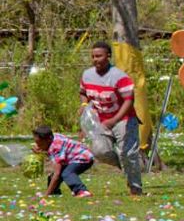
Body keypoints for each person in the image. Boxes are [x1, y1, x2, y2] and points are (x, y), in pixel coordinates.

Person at [80, 41, 142, 196]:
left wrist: (115, 120)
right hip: (101, 120)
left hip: (124, 119)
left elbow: (129, 100)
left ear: (108, 56)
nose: (95, 59)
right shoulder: (87, 75)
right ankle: (126, 166)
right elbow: (83, 92)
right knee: (99, 151)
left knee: (127, 154)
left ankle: (135, 188)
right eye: (93, 56)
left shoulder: (119, 77)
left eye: (99, 56)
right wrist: (84, 104)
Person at [32, 125, 94, 198]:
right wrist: (42, 150)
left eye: (40, 144)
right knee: (53, 175)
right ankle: (54, 192)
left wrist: (46, 195)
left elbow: (57, 174)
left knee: (67, 173)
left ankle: (82, 191)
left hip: (84, 158)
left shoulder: (56, 147)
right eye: (37, 143)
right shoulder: (52, 137)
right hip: (76, 157)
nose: (38, 146)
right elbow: (52, 153)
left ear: (48, 140)